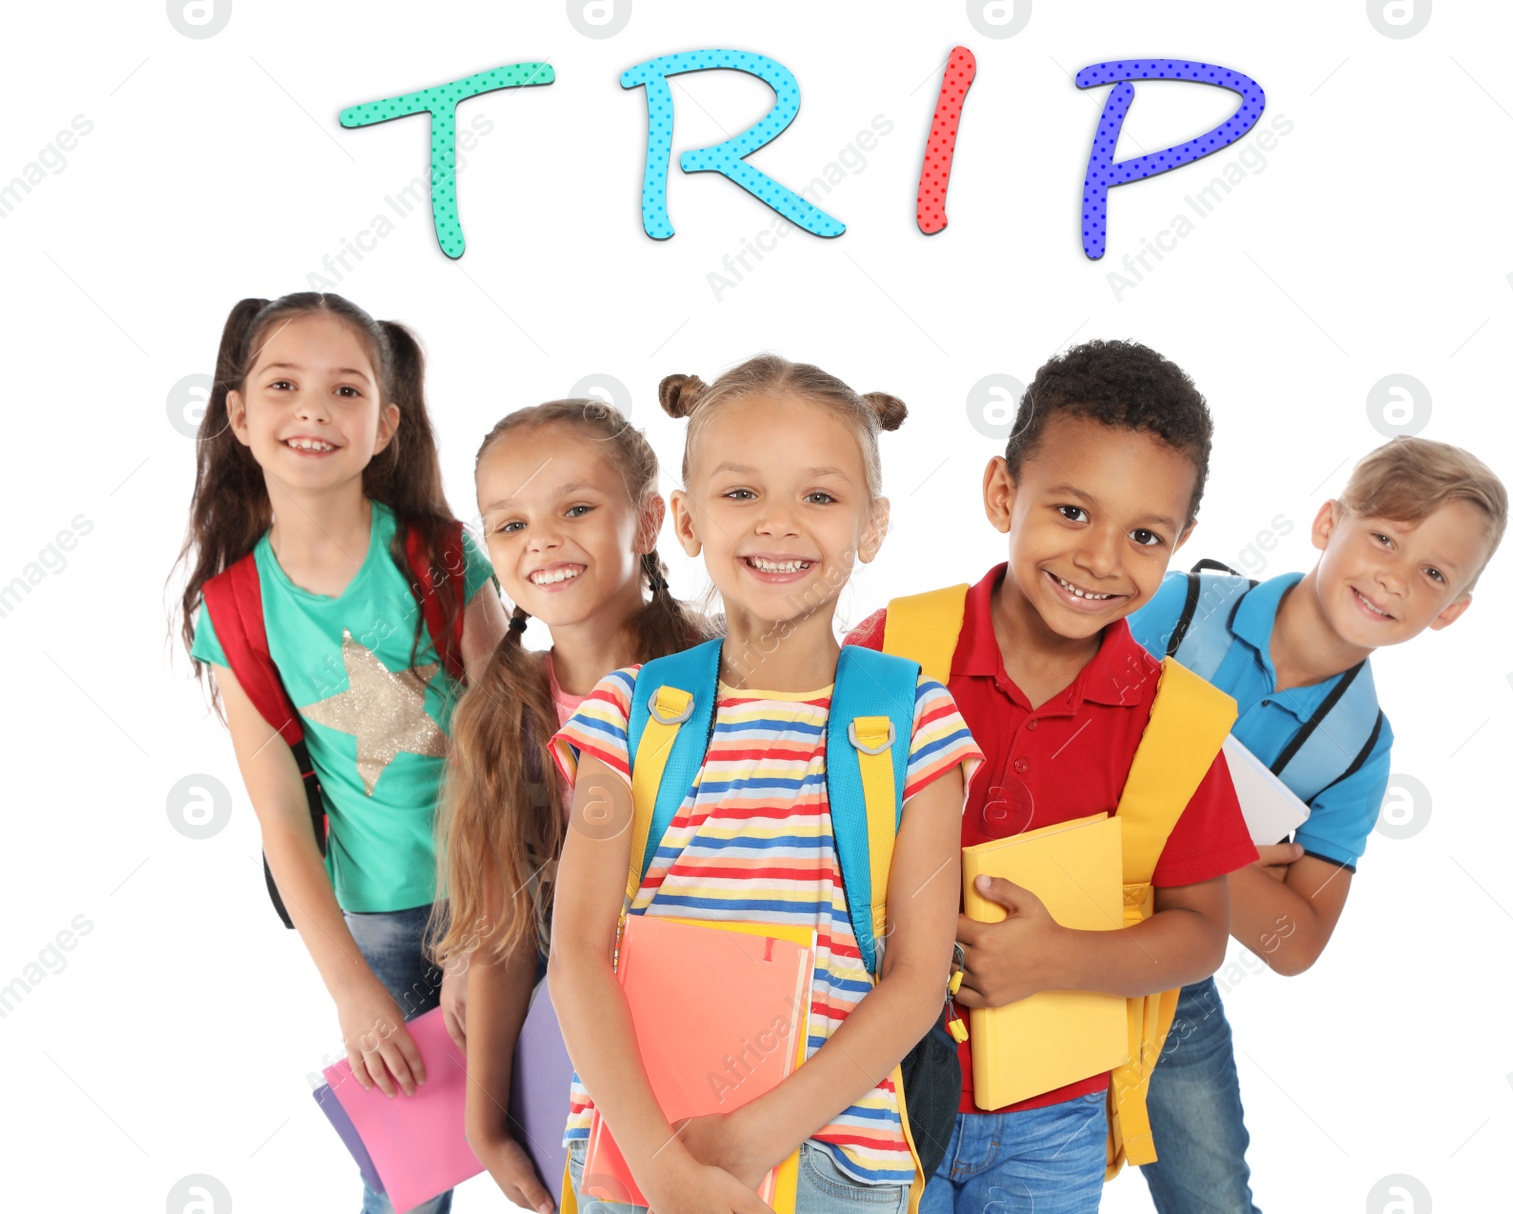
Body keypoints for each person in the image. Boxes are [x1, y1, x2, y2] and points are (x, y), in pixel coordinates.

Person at [549, 354, 984, 1214]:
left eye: (819, 497)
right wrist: (667, 1169)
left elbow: (915, 979)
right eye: (742, 493)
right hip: (637, 1152)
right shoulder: (627, 715)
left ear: (874, 525)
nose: (778, 526)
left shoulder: (913, 721)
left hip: (838, 1167)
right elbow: (576, 957)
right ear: (684, 519)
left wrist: (749, 1139)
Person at [845, 339, 1259, 1213]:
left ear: (1181, 542)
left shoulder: (1173, 724)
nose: (1104, 559)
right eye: (1072, 512)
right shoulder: (895, 649)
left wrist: (1057, 959)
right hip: (868, 1093)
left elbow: (1201, 936)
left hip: (1055, 1116)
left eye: (1145, 535)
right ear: (1004, 493)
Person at [175, 292, 505, 1214]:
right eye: (282, 385)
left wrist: (488, 930)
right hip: (382, 919)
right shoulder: (232, 610)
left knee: (562, 1132)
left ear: (384, 427)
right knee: (404, 1173)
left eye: (344, 390)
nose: (312, 410)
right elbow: (280, 819)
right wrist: (353, 990)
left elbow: (507, 745)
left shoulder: (438, 555)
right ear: (240, 416)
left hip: (507, 894)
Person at [1125, 435, 1508, 1214]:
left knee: (1217, 1199)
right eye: (1386, 538)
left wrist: (1190, 839)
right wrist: (1238, 855)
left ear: (1453, 610)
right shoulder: (1176, 608)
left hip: (1172, 961)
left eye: (1434, 573)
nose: (1397, 577)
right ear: (1329, 521)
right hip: (1032, 897)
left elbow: (1294, 942)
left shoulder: (1362, 749)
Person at [432, 399, 704, 1212]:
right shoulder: (503, 713)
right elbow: (503, 936)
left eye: (576, 509)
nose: (541, 541)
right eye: (509, 525)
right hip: (577, 1068)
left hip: (715, 1050)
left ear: (649, 520)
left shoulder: (718, 683)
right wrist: (486, 1125)